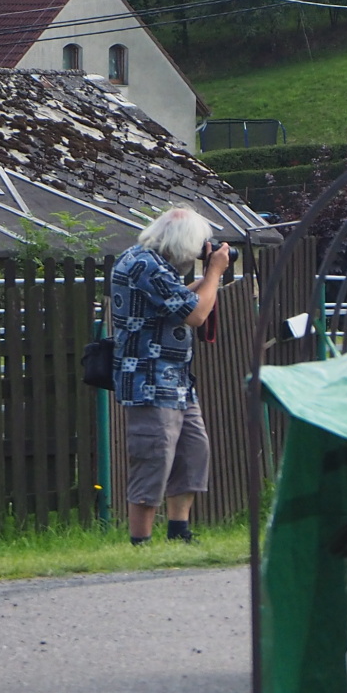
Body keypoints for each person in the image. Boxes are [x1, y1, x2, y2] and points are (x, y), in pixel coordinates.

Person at [108, 207, 230, 544]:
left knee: (193, 452)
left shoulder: (152, 263)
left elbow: (176, 300)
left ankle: (179, 532)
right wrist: (214, 272)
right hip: (149, 379)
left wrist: (207, 278)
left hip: (175, 380)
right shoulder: (144, 265)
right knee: (153, 456)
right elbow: (196, 314)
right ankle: (141, 542)